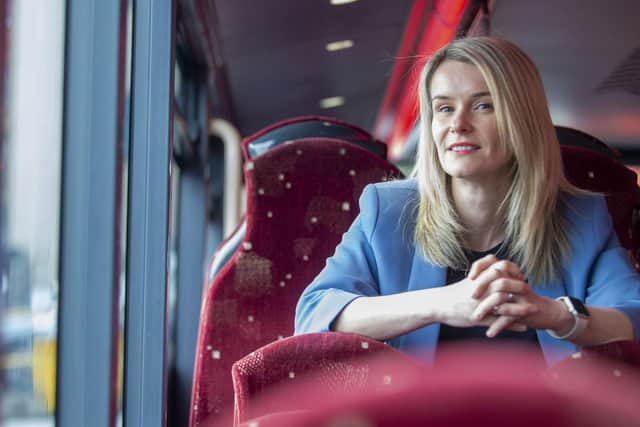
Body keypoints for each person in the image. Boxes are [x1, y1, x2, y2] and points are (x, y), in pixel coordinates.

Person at [294, 36, 640, 365]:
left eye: (482, 105)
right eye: (444, 108)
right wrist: (442, 303)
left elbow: (633, 317)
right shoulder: (387, 211)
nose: (458, 124)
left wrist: (554, 314)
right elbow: (315, 314)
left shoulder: (581, 216)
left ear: (522, 119)